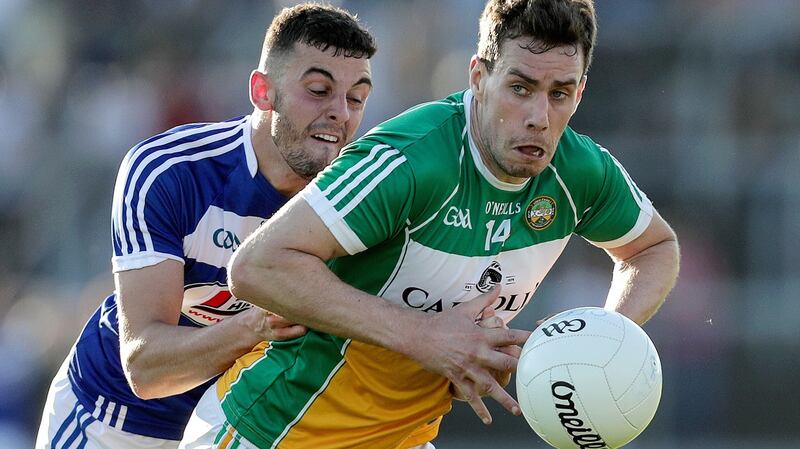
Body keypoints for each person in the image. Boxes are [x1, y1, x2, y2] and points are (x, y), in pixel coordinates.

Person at [181, 0, 680, 448]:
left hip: (403, 439)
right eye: (520, 87)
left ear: (580, 92)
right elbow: (256, 266)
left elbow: (654, 247)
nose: (539, 117)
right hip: (273, 429)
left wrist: (602, 342)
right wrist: (426, 337)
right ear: (479, 76)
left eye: (560, 94)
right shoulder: (411, 161)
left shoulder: (579, 170)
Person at [35, 4, 377, 449]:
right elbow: (145, 366)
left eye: (356, 98)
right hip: (114, 421)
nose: (340, 113)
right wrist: (257, 326)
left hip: (242, 428)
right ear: (262, 91)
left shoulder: (362, 196)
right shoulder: (169, 171)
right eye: (318, 89)